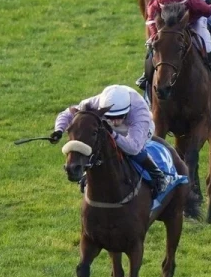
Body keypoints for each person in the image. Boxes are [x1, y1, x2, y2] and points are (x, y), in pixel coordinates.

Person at [51, 85, 184, 198]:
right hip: (110, 122)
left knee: (131, 151)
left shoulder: (140, 114)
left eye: (119, 117)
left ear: (126, 112)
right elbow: (67, 114)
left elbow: (133, 148)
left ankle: (158, 175)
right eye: (111, 117)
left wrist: (113, 134)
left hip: (139, 128)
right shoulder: (96, 102)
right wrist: (59, 130)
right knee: (100, 143)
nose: (115, 122)